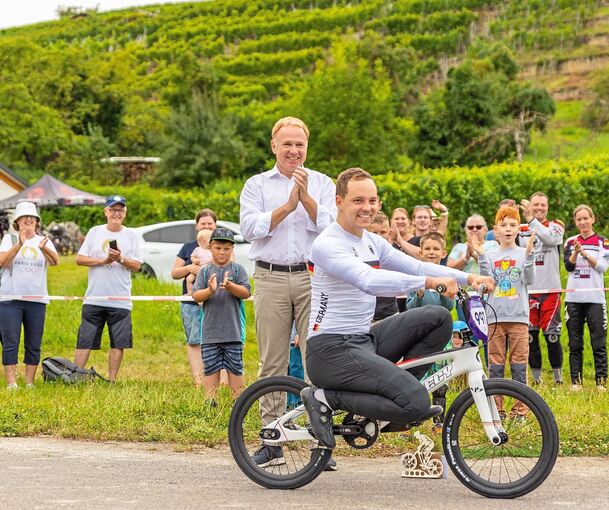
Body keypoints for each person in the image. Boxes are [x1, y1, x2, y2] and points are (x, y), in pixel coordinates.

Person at [299, 168, 494, 450]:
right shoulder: (328, 244)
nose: (367, 208)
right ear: (339, 201)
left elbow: (416, 265)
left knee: (438, 318)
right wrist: (429, 283)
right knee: (416, 403)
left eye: (373, 200)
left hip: (363, 340)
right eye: (358, 201)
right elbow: (368, 281)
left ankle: (399, 395)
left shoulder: (372, 241)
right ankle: (324, 399)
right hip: (330, 351)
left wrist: (469, 278)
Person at [239, 117, 336, 418]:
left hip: (314, 278)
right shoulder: (256, 185)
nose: (293, 151)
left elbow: (332, 227)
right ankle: (272, 436)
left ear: (307, 147)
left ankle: (319, 436)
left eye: (299, 144)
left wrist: (305, 198)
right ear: (274, 146)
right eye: (287, 144)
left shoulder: (322, 183)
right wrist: (286, 208)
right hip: (270, 277)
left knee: (316, 360)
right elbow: (248, 228)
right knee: (273, 362)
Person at [74, 195, 142, 381]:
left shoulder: (131, 235)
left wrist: (120, 259)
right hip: (94, 297)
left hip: (120, 298)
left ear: (125, 213)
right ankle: (76, 376)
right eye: (113, 210)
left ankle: (112, 379)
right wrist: (103, 261)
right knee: (85, 339)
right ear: (106, 212)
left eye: (120, 210)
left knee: (118, 342)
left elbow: (137, 265)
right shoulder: (95, 232)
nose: (116, 213)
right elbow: (80, 259)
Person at [476, 205, 536, 418]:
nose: (508, 229)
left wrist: (529, 256)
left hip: (519, 318)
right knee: (496, 365)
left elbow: (529, 280)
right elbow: (487, 283)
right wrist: (482, 257)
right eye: (504, 225)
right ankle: (497, 409)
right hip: (495, 317)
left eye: (512, 224)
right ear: (496, 229)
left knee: (519, 364)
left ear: (518, 229)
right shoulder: (490, 254)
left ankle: (520, 410)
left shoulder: (523, 253)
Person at [0, 201, 58, 389]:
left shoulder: (44, 241)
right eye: (24, 218)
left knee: (34, 342)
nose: (28, 220)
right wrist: (20, 244)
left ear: (36, 221)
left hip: (36, 299)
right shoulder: (9, 239)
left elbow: (55, 261)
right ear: (17, 222)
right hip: (10, 299)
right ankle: (11, 383)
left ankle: (29, 382)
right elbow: (2, 261)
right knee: (11, 341)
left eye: (31, 218)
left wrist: (43, 248)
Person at [192, 227, 251, 402]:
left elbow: (246, 293)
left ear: (232, 249)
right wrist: (210, 290)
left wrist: (231, 287)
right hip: (210, 334)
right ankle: (210, 401)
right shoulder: (204, 271)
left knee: (235, 368)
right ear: (210, 248)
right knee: (210, 368)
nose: (222, 252)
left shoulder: (238, 270)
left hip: (233, 333)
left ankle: (238, 402)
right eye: (218, 248)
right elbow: (196, 296)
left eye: (226, 249)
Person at [405, 232, 454, 430]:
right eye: (428, 249)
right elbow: (409, 307)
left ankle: (439, 423)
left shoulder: (448, 276)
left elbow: (449, 305)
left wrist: (442, 290)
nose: (431, 252)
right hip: (420, 336)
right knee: (418, 378)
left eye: (435, 249)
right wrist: (419, 293)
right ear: (420, 252)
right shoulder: (414, 277)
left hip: (442, 336)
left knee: (441, 379)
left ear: (443, 252)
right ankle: (412, 421)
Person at [519, 192, 565, 385]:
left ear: (547, 207)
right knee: (530, 337)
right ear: (530, 206)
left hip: (551, 291)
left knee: (552, 336)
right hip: (529, 291)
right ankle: (536, 379)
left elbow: (550, 240)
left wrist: (531, 220)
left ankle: (558, 378)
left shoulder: (556, 226)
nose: (538, 208)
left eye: (542, 205)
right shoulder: (521, 230)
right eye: (535, 205)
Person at [563, 205, 609, 391]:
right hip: (574, 298)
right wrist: (575, 253)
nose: (582, 222)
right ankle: (576, 381)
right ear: (576, 222)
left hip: (595, 299)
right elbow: (568, 267)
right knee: (575, 342)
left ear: (592, 219)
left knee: (598, 341)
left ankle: (601, 381)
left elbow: (603, 267)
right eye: (579, 219)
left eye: (585, 218)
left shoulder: (602, 241)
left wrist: (584, 253)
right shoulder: (571, 241)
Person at [171, 209, 217, 388]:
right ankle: (199, 381)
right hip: (191, 303)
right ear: (197, 225)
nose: (206, 226)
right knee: (194, 339)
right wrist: (190, 268)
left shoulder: (222, 246)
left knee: (218, 340)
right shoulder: (188, 247)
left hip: (216, 301)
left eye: (209, 223)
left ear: (215, 225)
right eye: (203, 223)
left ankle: (218, 380)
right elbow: (174, 273)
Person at [368, 212, 398, 322]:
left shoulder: (394, 254)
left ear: (389, 233)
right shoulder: (362, 254)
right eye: (374, 232)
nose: (379, 236)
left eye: (383, 232)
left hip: (390, 312)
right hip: (367, 315)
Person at [186, 228, 213, 295]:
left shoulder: (212, 250)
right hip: (197, 269)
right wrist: (195, 260)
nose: (213, 241)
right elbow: (192, 257)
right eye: (211, 239)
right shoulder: (197, 249)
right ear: (204, 241)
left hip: (208, 271)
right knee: (189, 279)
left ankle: (204, 295)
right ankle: (190, 292)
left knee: (206, 282)